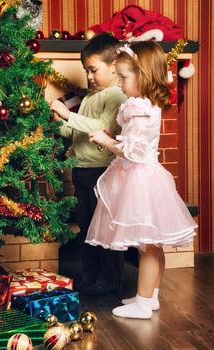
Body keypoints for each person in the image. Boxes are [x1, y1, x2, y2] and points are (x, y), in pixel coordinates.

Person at [86, 41, 197, 318]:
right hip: (143, 177)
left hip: (139, 180)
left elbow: (134, 151)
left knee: (146, 246)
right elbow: (135, 141)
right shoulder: (145, 104)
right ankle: (152, 296)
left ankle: (143, 302)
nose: (120, 84)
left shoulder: (140, 108)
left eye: (124, 77)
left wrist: (106, 141)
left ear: (143, 76)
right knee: (152, 244)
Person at [50, 33, 127, 295]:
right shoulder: (92, 97)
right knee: (86, 228)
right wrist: (59, 122)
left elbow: (102, 129)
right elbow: (75, 132)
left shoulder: (116, 96)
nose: (90, 76)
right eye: (86, 71)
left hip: (103, 172)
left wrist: (69, 115)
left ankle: (110, 279)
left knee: (104, 229)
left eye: (94, 70)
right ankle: (89, 274)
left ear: (114, 66)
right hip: (81, 170)